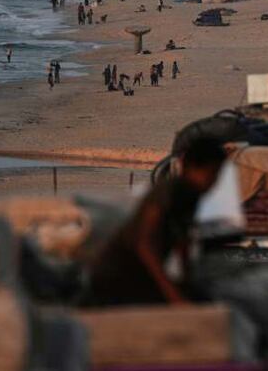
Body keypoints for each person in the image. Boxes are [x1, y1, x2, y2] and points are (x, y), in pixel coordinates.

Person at [85, 123, 227, 305]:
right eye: (211, 175)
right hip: (118, 276)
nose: (214, 183)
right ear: (190, 167)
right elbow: (144, 244)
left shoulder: (193, 196)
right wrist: (172, 294)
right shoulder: (170, 191)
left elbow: (183, 241)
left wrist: (188, 281)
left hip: (141, 277)